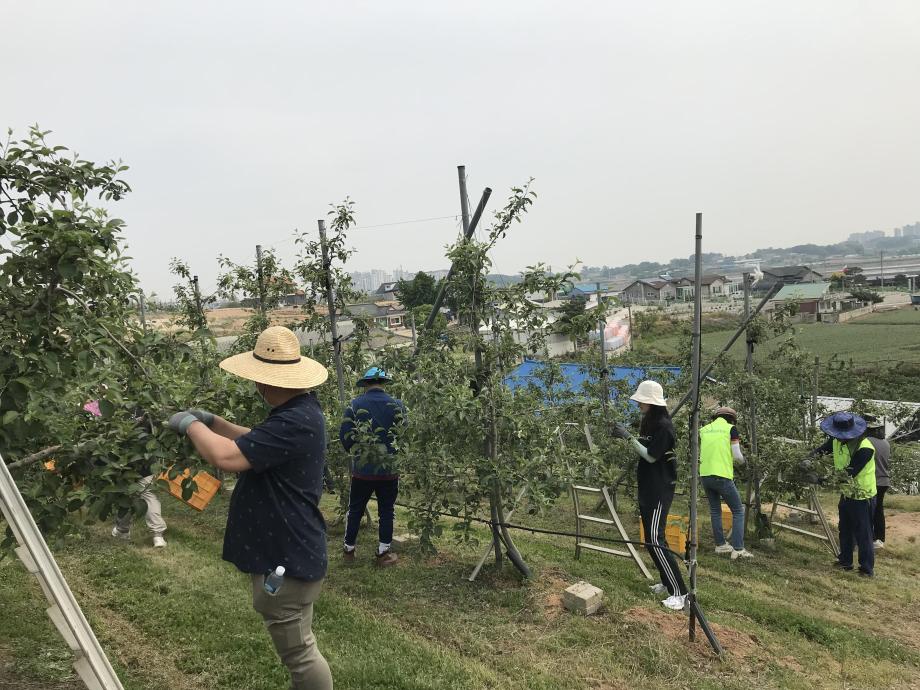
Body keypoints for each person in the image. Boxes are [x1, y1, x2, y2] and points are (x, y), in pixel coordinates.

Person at [166, 326, 333, 690]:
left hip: (286, 554)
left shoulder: (294, 420)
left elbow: (226, 457)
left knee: (300, 654)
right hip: (293, 548)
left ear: (266, 381)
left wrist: (190, 425)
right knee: (300, 646)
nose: (256, 387)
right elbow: (257, 441)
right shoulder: (299, 412)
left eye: (259, 380)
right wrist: (216, 423)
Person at [613, 380, 688, 611]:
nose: (638, 403)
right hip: (648, 485)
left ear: (651, 402)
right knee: (650, 540)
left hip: (659, 489)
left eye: (641, 400)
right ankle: (667, 584)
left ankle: (680, 593)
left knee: (656, 540)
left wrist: (626, 437)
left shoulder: (665, 427)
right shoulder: (650, 422)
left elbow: (651, 456)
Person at [339, 366, 407, 567]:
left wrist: (355, 451)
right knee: (387, 509)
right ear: (383, 383)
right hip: (389, 469)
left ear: (366, 384)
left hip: (363, 469)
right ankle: (383, 552)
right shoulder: (397, 405)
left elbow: (346, 435)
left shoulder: (354, 405)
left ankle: (349, 550)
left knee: (355, 508)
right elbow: (403, 433)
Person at [84, 392, 167, 549]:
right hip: (144, 462)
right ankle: (157, 536)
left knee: (125, 496)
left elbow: (92, 418)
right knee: (149, 496)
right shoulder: (145, 408)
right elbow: (158, 431)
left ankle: (123, 530)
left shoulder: (108, 410)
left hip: (121, 464)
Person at [807, 411, 877, 577]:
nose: (836, 438)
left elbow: (848, 474)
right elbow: (822, 450)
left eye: (840, 435)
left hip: (862, 495)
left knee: (863, 533)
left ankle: (866, 569)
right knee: (845, 528)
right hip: (846, 493)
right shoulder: (836, 440)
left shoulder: (865, 448)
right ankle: (845, 561)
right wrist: (809, 458)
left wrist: (820, 480)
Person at [699, 407, 752, 560]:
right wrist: (745, 463)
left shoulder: (704, 429)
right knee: (738, 510)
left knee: (715, 510)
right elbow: (737, 455)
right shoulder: (731, 429)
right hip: (721, 475)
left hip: (705, 474)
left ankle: (721, 545)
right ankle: (738, 548)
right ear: (732, 419)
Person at [865, 415, 890, 549]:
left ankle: (870, 537)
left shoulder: (867, 441)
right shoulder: (885, 442)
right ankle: (880, 539)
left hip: (873, 481)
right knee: (879, 510)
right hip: (884, 481)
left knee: (868, 510)